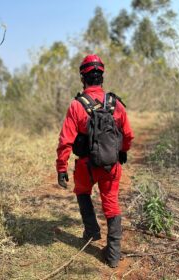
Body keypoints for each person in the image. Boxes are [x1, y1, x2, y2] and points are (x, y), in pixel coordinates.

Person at [56, 54, 134, 268]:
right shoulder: (115, 104)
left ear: (83, 78)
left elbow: (65, 141)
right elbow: (127, 135)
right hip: (111, 166)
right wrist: (123, 151)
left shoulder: (76, 105)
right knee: (111, 204)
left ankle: (91, 232)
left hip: (85, 167)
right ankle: (113, 256)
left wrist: (61, 167)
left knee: (82, 192)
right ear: (102, 77)